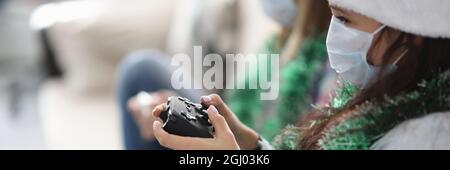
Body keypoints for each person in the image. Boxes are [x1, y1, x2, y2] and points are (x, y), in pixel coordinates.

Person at [151, 0, 450, 150]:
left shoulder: (428, 135)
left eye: (345, 19)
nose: (336, 34)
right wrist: (252, 145)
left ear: (412, 32)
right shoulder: (378, 95)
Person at [117, 0, 335, 149]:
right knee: (144, 78)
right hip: (248, 140)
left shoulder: (336, 62)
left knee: (142, 70)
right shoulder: (281, 40)